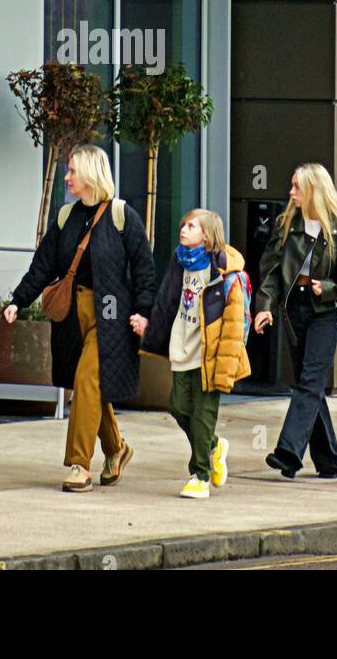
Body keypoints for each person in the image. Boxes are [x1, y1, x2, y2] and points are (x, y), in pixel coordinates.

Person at [5, 144, 157, 493]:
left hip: (111, 317)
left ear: (90, 174)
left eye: (73, 171)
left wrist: (143, 312)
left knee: (88, 383)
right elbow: (42, 265)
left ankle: (79, 463)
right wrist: (18, 300)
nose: (67, 176)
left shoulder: (121, 216)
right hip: (72, 316)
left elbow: (145, 270)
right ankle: (117, 449)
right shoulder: (65, 217)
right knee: (91, 388)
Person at [253, 163, 337, 479]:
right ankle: (329, 461)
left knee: (309, 381)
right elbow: (272, 271)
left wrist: (330, 286)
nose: (291, 193)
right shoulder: (286, 224)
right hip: (295, 308)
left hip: (327, 311)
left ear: (314, 190)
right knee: (309, 385)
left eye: (297, 187)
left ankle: (288, 453)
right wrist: (264, 307)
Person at [137, 209, 251, 500]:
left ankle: (199, 475)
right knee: (177, 406)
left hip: (209, 352)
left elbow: (234, 323)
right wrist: (151, 329)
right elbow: (166, 301)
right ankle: (213, 445)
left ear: (207, 235)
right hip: (182, 345)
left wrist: (226, 363)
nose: (183, 229)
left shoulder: (225, 270)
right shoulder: (179, 261)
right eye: (183, 224)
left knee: (202, 413)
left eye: (191, 226)